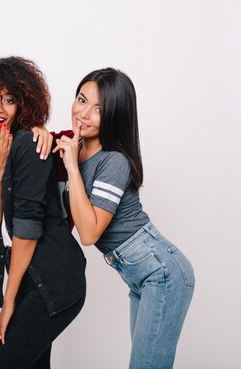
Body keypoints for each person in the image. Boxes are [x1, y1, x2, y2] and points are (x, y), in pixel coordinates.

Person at [53, 68, 195, 369]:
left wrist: (72, 170)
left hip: (162, 272)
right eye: (81, 100)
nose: (84, 113)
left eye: (99, 109)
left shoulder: (113, 161)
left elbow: (89, 233)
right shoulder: (76, 152)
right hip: (139, 277)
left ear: (116, 115)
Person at [0, 56, 87, 369]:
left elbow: (27, 231)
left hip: (54, 282)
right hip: (29, 282)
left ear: (23, 105)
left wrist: (8, 302)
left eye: (8, 100)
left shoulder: (30, 145)